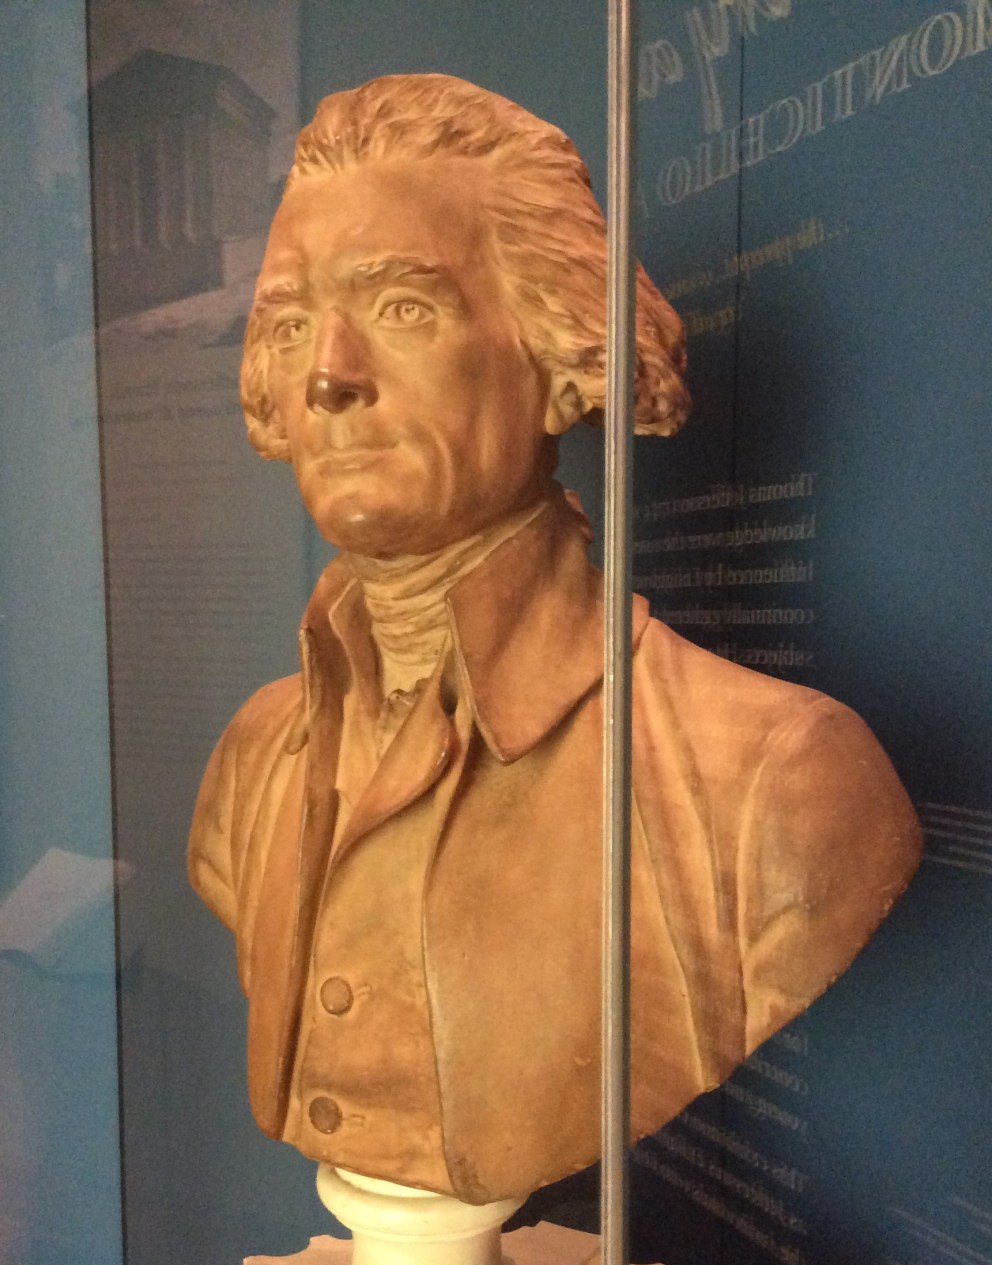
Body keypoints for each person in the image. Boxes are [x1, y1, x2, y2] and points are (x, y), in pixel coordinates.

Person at [189, 74, 920, 1205]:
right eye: (288, 324)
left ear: (557, 354)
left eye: (401, 308)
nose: (328, 374)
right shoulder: (252, 763)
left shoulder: (775, 783)